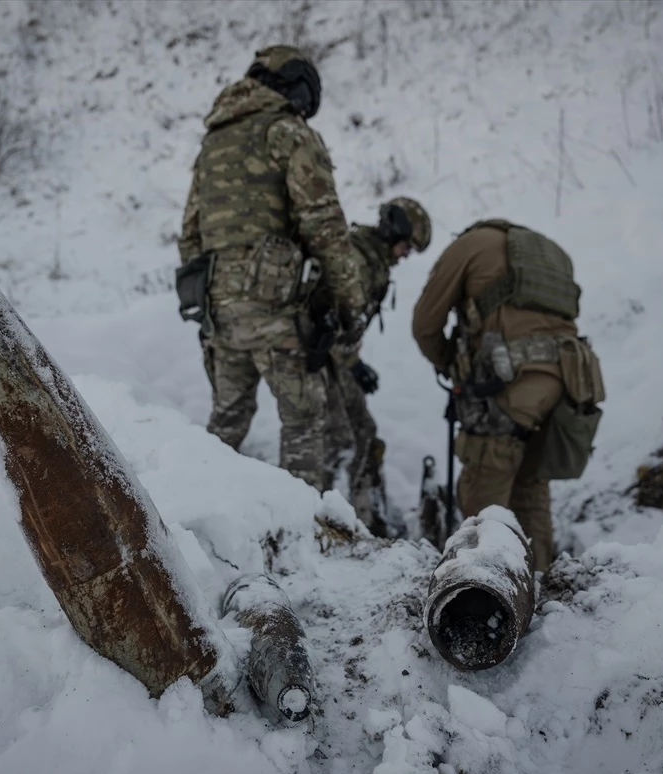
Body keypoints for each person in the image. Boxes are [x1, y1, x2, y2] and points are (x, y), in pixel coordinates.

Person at [177, 45, 367, 491]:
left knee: (226, 422)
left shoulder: (213, 143)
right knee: (303, 418)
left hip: (220, 314)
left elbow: (190, 234)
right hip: (277, 312)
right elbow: (326, 227)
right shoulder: (288, 133)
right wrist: (350, 303)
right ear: (295, 86)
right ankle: (300, 535)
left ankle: (201, 520)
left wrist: (210, 302)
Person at [411, 219, 603, 571]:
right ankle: (540, 588)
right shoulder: (553, 253)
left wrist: (455, 370)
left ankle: (483, 598)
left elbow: (425, 324)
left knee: (484, 497)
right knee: (530, 489)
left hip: (506, 383)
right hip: (568, 385)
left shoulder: (469, 246)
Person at [320, 197, 431, 537]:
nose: (404, 256)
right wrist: (352, 363)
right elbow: (331, 319)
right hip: (319, 359)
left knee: (364, 432)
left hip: (338, 359)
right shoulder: (358, 258)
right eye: (406, 247)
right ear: (394, 230)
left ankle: (365, 517)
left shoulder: (371, 260)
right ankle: (315, 520)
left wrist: (354, 363)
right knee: (333, 439)